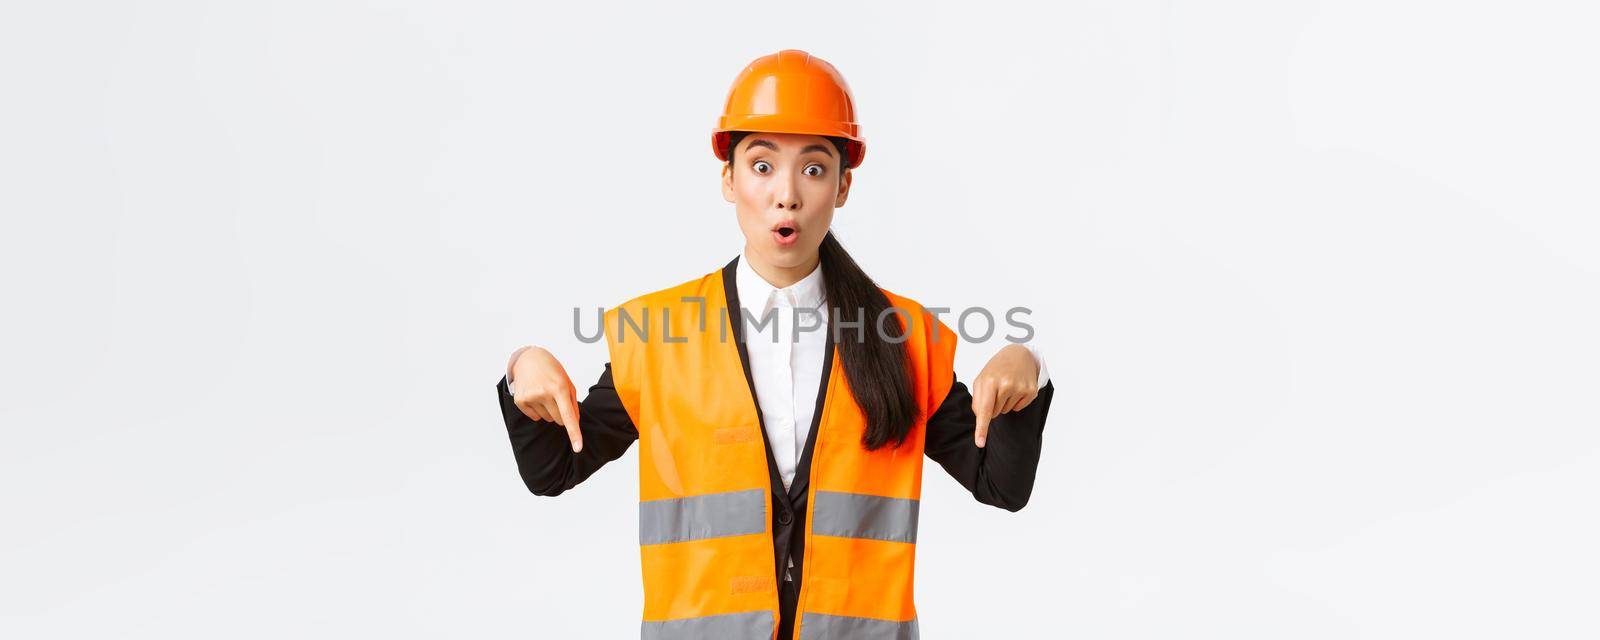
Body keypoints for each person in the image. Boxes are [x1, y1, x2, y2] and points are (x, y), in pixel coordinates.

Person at [496, 49, 1055, 640]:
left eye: (813, 169)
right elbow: (553, 469)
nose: (786, 194)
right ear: (728, 179)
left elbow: (1000, 484)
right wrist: (521, 368)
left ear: (843, 186)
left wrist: (1029, 364)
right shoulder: (658, 338)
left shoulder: (903, 338)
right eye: (762, 166)